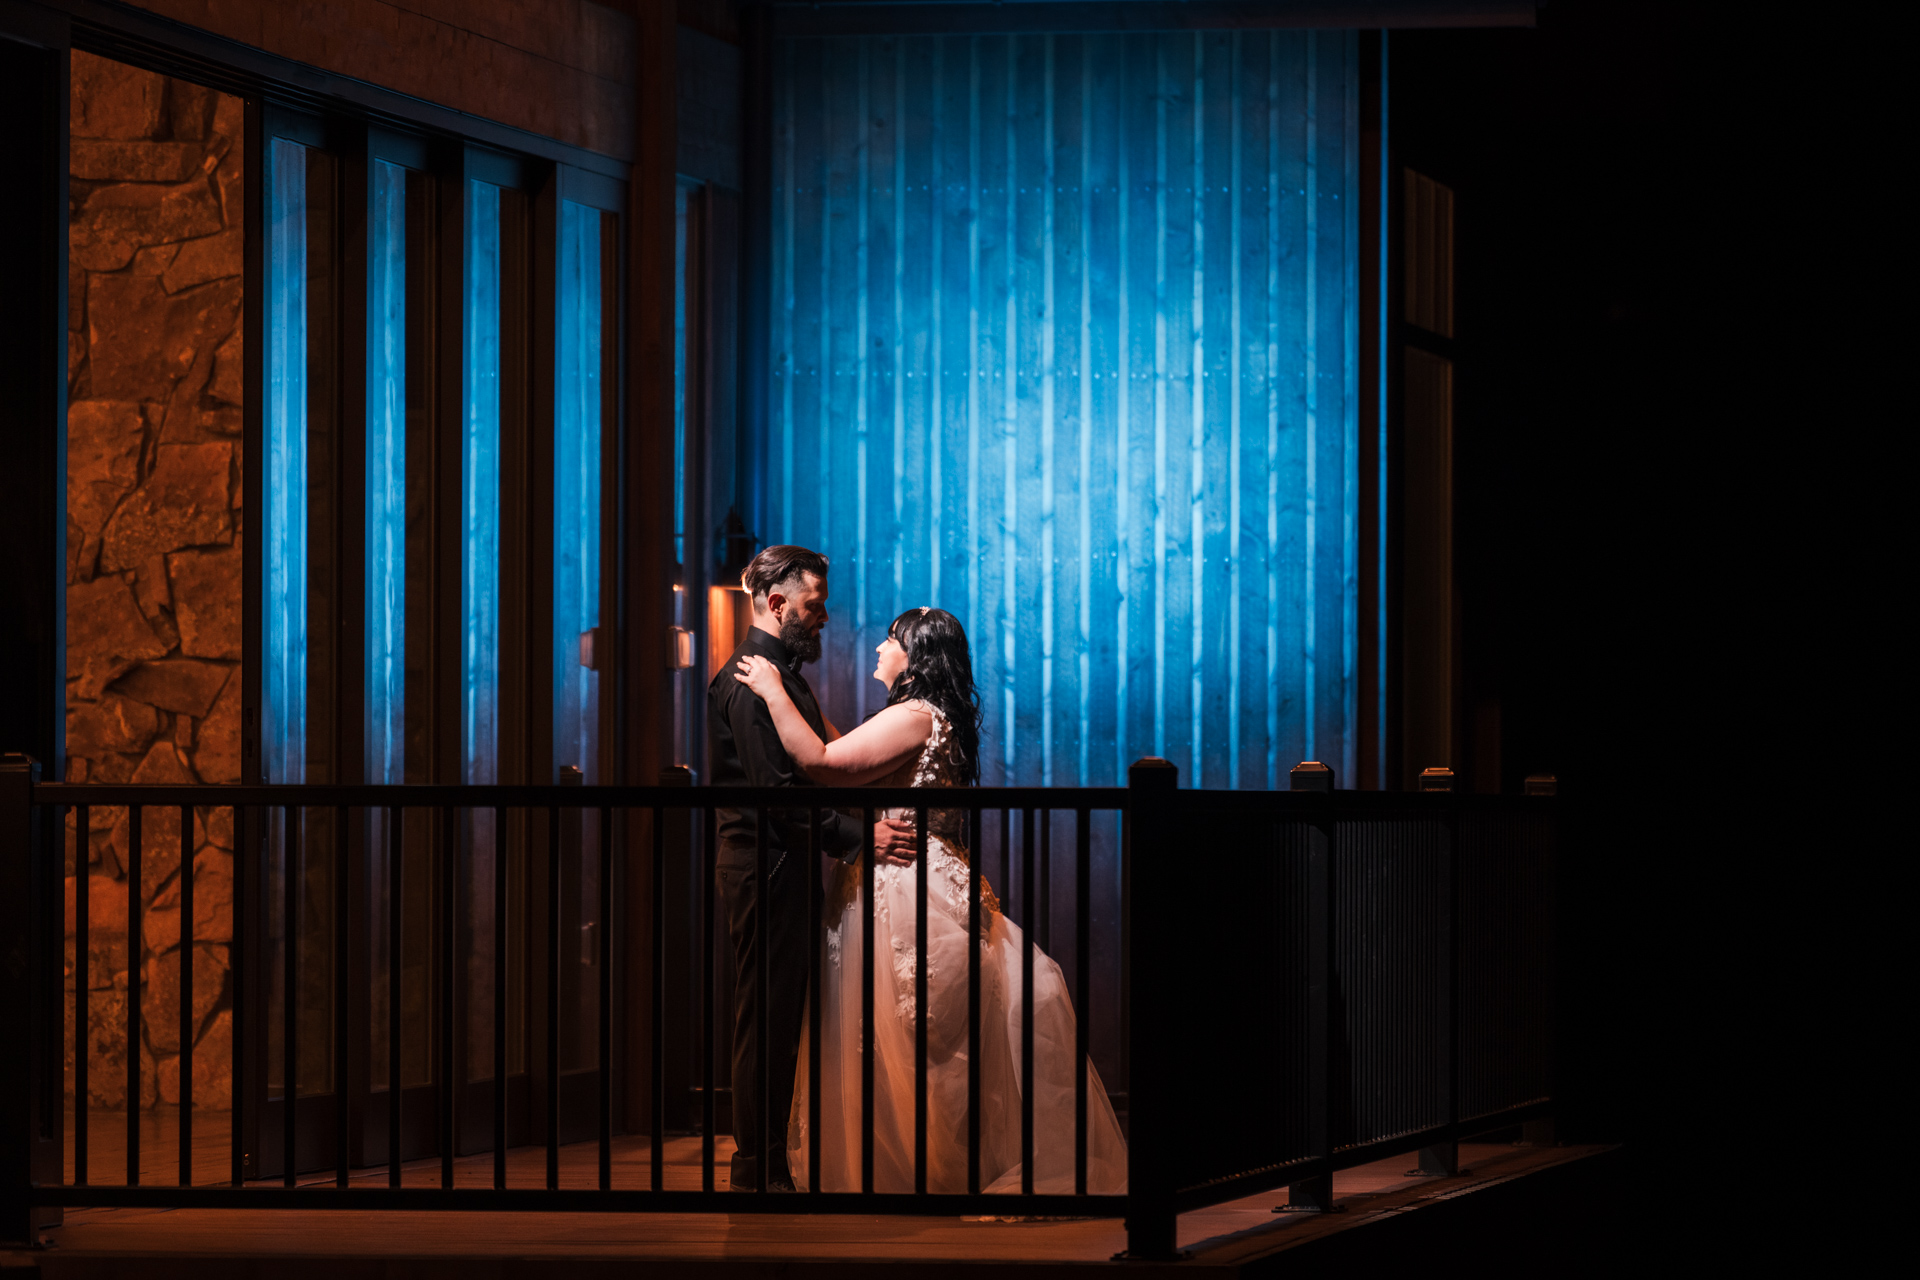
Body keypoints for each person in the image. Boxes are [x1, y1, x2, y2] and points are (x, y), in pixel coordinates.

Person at [734, 606, 1128, 1195]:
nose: (878, 650)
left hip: (903, 885)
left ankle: (925, 1170)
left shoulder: (915, 715)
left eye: (890, 641)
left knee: (912, 1032)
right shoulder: (921, 716)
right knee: (906, 1032)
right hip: (909, 875)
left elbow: (822, 763)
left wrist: (771, 689)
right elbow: (848, 748)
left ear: (915, 655)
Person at [706, 545, 918, 1192]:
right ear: (777, 603)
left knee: (780, 1013)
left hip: (782, 863)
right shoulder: (750, 679)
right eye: (815, 605)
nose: (824, 617)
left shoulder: (781, 675)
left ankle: (770, 1162)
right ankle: (755, 1169)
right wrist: (861, 838)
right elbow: (779, 795)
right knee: (765, 1015)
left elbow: (822, 760)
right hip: (763, 866)